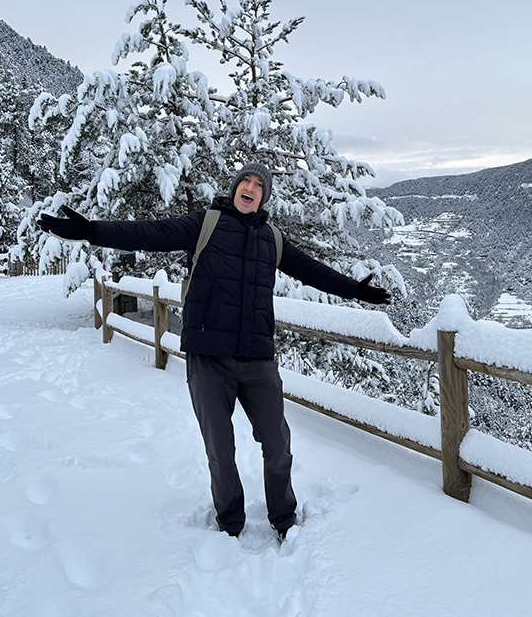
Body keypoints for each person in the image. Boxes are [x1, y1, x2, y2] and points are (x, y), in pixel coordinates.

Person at [37, 163, 390, 542]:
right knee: (220, 449)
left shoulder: (273, 239)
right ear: (235, 187)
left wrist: (355, 290)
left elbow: (313, 271)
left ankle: (284, 518)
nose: (250, 188)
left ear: (263, 197)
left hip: (257, 358)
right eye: (245, 181)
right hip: (209, 358)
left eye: (258, 185)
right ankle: (230, 523)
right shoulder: (205, 224)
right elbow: (147, 233)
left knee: (277, 442)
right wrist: (92, 231)